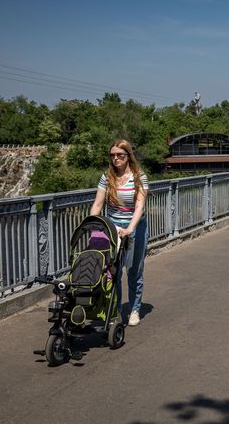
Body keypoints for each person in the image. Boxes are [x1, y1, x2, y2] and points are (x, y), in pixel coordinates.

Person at [90, 139, 149, 326]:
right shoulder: (107, 177)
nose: (116, 158)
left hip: (135, 228)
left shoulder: (139, 177)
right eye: (113, 155)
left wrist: (130, 229)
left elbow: (139, 206)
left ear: (128, 156)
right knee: (112, 272)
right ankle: (115, 310)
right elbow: (98, 204)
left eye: (120, 155)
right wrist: (93, 222)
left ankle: (134, 309)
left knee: (134, 271)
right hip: (112, 227)